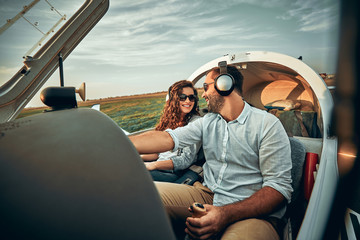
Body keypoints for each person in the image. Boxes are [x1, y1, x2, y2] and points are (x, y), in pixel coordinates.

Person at [129, 63, 292, 240]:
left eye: (206, 87)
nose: (203, 94)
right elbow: (168, 139)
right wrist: (117, 141)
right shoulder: (208, 122)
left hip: (253, 213)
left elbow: (278, 189)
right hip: (208, 195)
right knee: (140, 195)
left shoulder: (267, 124)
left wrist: (225, 214)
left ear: (225, 85)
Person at [141, 80, 202, 183]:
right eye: (182, 97)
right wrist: (138, 157)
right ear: (173, 100)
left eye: (191, 97)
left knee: (136, 175)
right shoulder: (169, 120)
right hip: (159, 167)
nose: (188, 101)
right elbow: (158, 154)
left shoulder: (195, 123)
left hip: (174, 172)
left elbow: (186, 160)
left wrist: (153, 165)